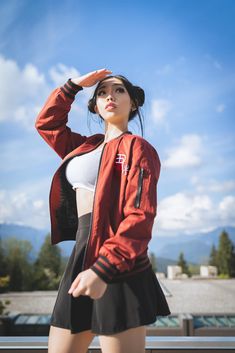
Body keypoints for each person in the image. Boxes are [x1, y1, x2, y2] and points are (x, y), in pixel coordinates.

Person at [35, 68, 171, 353]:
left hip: (119, 263)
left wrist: (104, 269)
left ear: (133, 102)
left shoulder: (138, 148)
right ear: (95, 105)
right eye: (102, 92)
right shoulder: (85, 147)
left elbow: (140, 215)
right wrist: (72, 86)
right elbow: (47, 124)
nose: (110, 95)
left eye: (119, 90)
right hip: (81, 257)